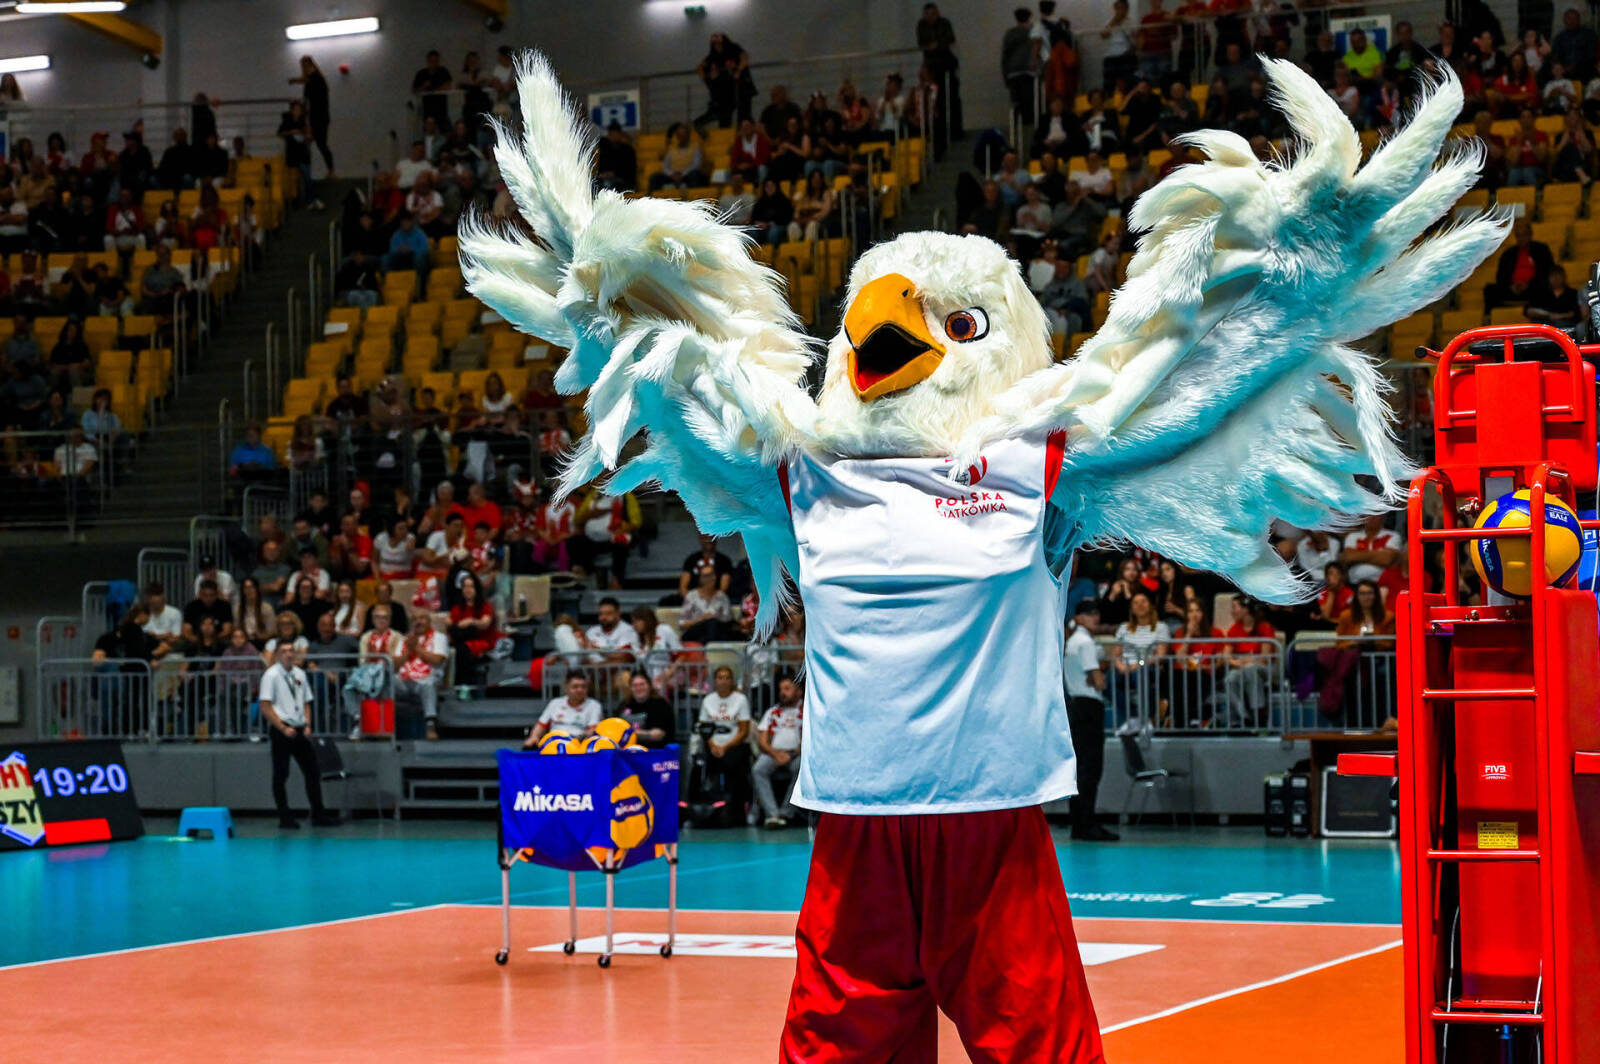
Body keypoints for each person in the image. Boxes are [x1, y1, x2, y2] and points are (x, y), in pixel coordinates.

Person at [259, 642, 339, 828]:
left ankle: (318, 814)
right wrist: (282, 727)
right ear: (277, 655)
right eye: (284, 651)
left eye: (291, 651)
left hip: (300, 728)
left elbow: (306, 702)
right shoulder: (271, 675)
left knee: (312, 771)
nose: (288, 654)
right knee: (281, 774)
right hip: (282, 729)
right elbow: (265, 706)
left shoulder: (300, 674)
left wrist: (308, 724)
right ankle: (284, 817)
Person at [1062, 599, 1114, 840]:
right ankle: (1087, 824)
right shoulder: (1085, 643)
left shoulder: (1072, 642)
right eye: (1090, 614)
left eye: (1096, 614)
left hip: (1075, 704)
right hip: (1089, 706)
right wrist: (1103, 669)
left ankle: (1078, 823)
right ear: (1079, 618)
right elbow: (1098, 682)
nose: (1095, 618)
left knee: (1080, 767)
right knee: (1090, 768)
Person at [697, 665, 752, 819]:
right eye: (720, 677)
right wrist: (713, 746)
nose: (724, 681)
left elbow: (744, 731)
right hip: (713, 743)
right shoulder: (708, 700)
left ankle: (735, 808)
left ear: (732, 681)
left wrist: (725, 747)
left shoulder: (740, 700)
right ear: (715, 681)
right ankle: (706, 808)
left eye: (727, 678)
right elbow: (704, 728)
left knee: (733, 762)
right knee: (701, 764)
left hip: (734, 743)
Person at [753, 676, 805, 827]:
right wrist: (776, 754)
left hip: (797, 754)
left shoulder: (807, 711)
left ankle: (786, 813)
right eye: (781, 689)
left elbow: (810, 739)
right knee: (758, 769)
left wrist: (791, 754)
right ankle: (773, 815)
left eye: (787, 689)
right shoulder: (772, 712)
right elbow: (762, 741)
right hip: (774, 753)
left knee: (801, 768)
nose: (783, 693)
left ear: (799, 692)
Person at [1222, 597, 1276, 727]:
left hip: (1264, 668)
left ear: (1245, 609)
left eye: (1235, 607)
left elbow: (1264, 658)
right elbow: (1226, 656)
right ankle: (1244, 717)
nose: (1232, 611)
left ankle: (1259, 714)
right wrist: (1238, 662)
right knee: (1230, 679)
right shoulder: (1234, 629)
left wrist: (1245, 660)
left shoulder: (1264, 627)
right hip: (1241, 667)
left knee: (1251, 670)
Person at [396, 612, 449, 739]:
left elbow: (437, 660)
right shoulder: (404, 639)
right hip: (404, 680)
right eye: (414, 619)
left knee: (428, 682)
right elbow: (395, 665)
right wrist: (408, 652)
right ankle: (381, 726)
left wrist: (417, 648)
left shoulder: (439, 637)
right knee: (386, 679)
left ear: (429, 621)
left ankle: (430, 724)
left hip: (427, 678)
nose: (418, 622)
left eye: (422, 618)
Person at [448, 573, 499, 687]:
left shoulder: (485, 606)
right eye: (465, 587)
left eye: (471, 586)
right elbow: (452, 626)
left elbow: (485, 624)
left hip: (482, 640)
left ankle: (463, 684)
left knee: (462, 650)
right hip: (461, 640)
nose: (468, 590)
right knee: (455, 648)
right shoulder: (457, 608)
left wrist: (471, 621)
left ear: (476, 589)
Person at [525, 672, 602, 747]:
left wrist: (577, 739)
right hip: (552, 741)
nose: (580, 690)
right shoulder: (555, 703)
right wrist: (534, 737)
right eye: (575, 687)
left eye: (583, 687)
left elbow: (592, 730)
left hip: (578, 743)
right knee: (529, 745)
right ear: (566, 688)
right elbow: (541, 725)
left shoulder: (594, 705)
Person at [289, 55, 334, 180]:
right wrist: (295, 81)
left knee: (319, 144)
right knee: (315, 144)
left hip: (319, 117)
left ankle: (329, 170)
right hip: (318, 116)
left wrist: (295, 81)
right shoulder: (315, 79)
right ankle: (324, 170)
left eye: (304, 66)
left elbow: (307, 83)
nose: (304, 69)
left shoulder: (314, 80)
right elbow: (306, 81)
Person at [614, 670, 676, 748]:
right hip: (626, 751)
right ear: (631, 688)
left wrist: (627, 733)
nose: (638, 688)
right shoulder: (625, 704)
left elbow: (658, 735)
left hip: (653, 751)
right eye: (634, 685)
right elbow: (614, 725)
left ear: (649, 686)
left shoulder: (660, 704)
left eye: (642, 684)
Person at [679, 565, 732, 642]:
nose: (709, 578)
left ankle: (711, 645)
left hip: (717, 631)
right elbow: (682, 623)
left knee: (714, 624)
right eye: (706, 576)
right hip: (695, 631)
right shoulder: (691, 596)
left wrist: (716, 616)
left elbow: (727, 621)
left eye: (712, 575)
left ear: (715, 577)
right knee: (711, 623)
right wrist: (702, 619)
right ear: (700, 579)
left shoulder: (722, 597)